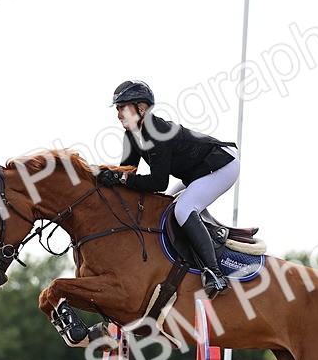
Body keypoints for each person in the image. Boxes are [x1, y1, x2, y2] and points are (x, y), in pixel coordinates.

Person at [97, 80, 240, 297]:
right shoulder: (132, 135)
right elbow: (128, 171)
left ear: (142, 108)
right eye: (118, 109)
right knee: (164, 208)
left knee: (183, 209)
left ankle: (215, 273)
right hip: (197, 172)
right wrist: (102, 175)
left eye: (123, 108)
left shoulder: (157, 132)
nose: (118, 114)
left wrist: (121, 178)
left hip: (222, 164)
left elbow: (157, 182)